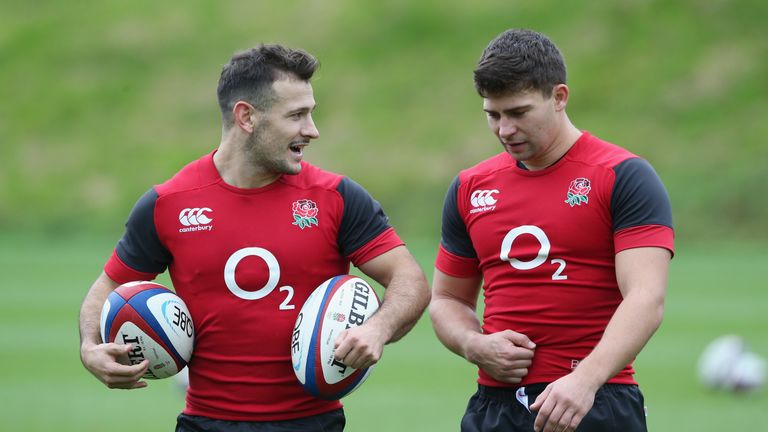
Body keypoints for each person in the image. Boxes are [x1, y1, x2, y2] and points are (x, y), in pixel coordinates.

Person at [79, 44, 430, 431]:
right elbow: (109, 286)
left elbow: (409, 279)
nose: (312, 130)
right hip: (205, 423)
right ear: (246, 116)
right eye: (297, 115)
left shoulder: (337, 198)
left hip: (312, 424)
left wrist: (377, 329)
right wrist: (90, 348)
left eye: (310, 113)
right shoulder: (168, 204)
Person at [429, 29, 673, 432]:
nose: (504, 130)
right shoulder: (470, 188)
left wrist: (585, 380)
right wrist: (475, 345)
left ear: (559, 97)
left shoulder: (622, 176)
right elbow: (447, 299)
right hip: (495, 408)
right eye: (493, 115)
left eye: (519, 113)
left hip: (595, 400)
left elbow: (646, 298)